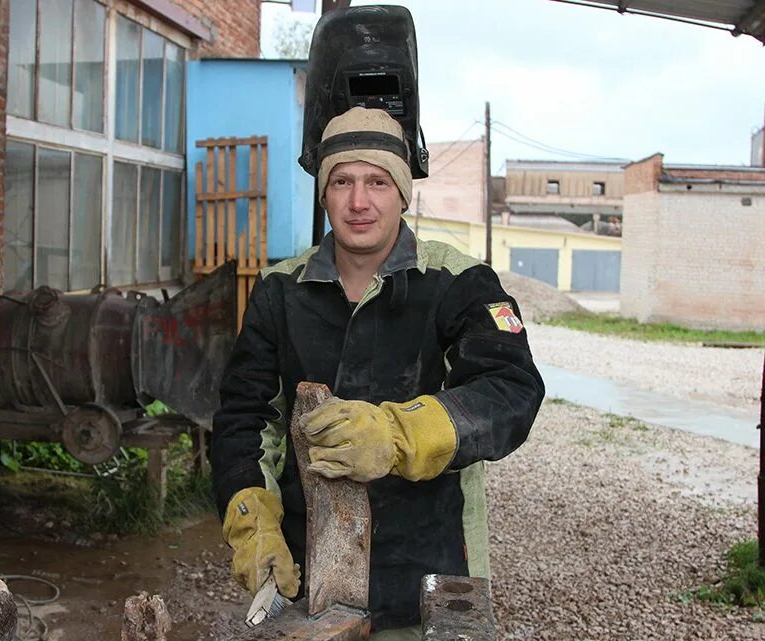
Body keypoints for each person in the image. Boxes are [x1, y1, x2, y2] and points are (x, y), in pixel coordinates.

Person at [210, 106, 544, 639]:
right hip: (309, 578)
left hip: (427, 572)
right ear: (323, 194)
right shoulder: (279, 292)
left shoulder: (460, 284)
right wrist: (252, 521)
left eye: (377, 181)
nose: (359, 201)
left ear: (403, 194)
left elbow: (509, 392)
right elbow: (243, 420)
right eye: (341, 181)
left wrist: (395, 433)